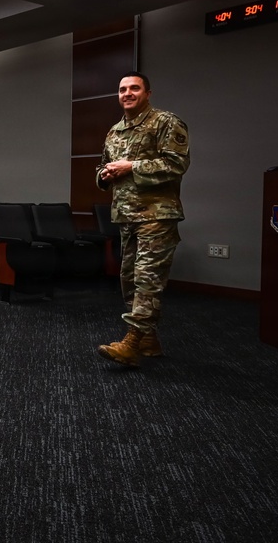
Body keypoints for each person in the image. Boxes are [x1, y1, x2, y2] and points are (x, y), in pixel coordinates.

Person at [96, 72, 190, 368]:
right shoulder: (114, 131)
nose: (127, 93)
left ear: (147, 93)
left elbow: (177, 164)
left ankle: (132, 343)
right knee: (130, 280)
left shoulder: (166, 122)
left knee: (148, 280)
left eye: (134, 88)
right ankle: (149, 340)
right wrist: (104, 175)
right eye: (122, 89)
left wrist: (131, 166)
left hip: (157, 216)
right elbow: (103, 165)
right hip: (126, 217)